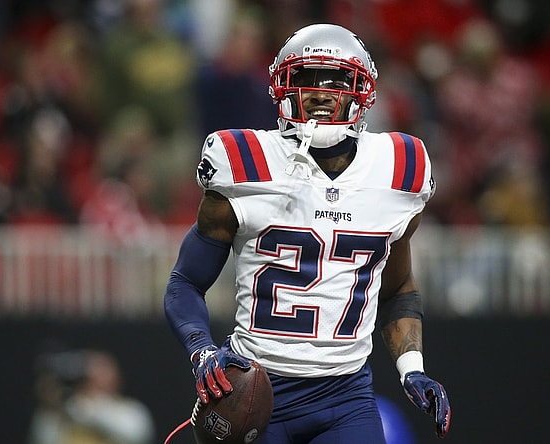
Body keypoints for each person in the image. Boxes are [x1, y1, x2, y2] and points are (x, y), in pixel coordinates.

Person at [164, 23, 451, 443]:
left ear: (363, 91)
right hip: (256, 390)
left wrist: (413, 368)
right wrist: (201, 351)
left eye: (335, 80)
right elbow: (185, 282)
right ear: (281, 87)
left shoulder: (399, 168)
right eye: (305, 79)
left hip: (346, 396)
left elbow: (397, 288)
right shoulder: (245, 163)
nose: (319, 93)